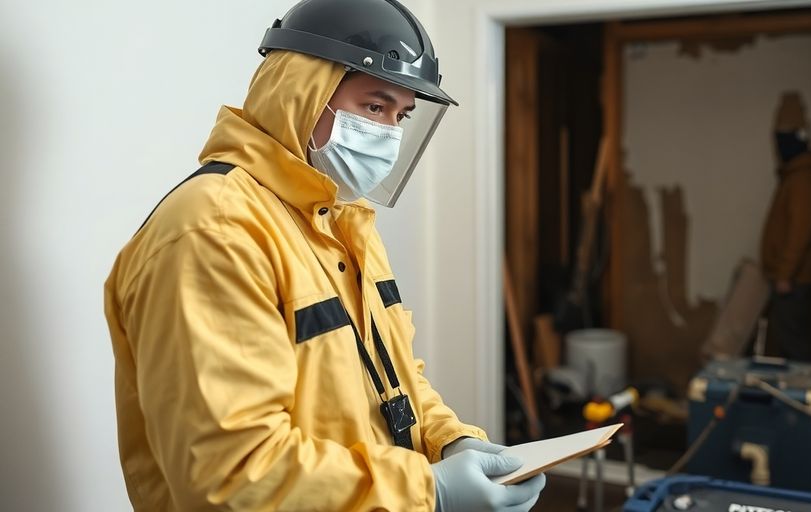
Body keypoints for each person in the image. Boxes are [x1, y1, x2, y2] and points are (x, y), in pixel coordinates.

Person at [102, 0, 546, 510]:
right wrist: (428, 490)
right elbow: (231, 473)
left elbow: (391, 378)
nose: (390, 134)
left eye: (401, 116)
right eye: (375, 107)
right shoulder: (213, 231)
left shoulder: (339, 222)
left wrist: (448, 440)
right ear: (301, 94)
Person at [760, 91, 811, 362]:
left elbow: (800, 233)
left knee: (796, 347)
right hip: (790, 279)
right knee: (789, 344)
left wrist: (785, 274)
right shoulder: (794, 178)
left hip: (794, 282)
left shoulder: (802, 182)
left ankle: (803, 390)